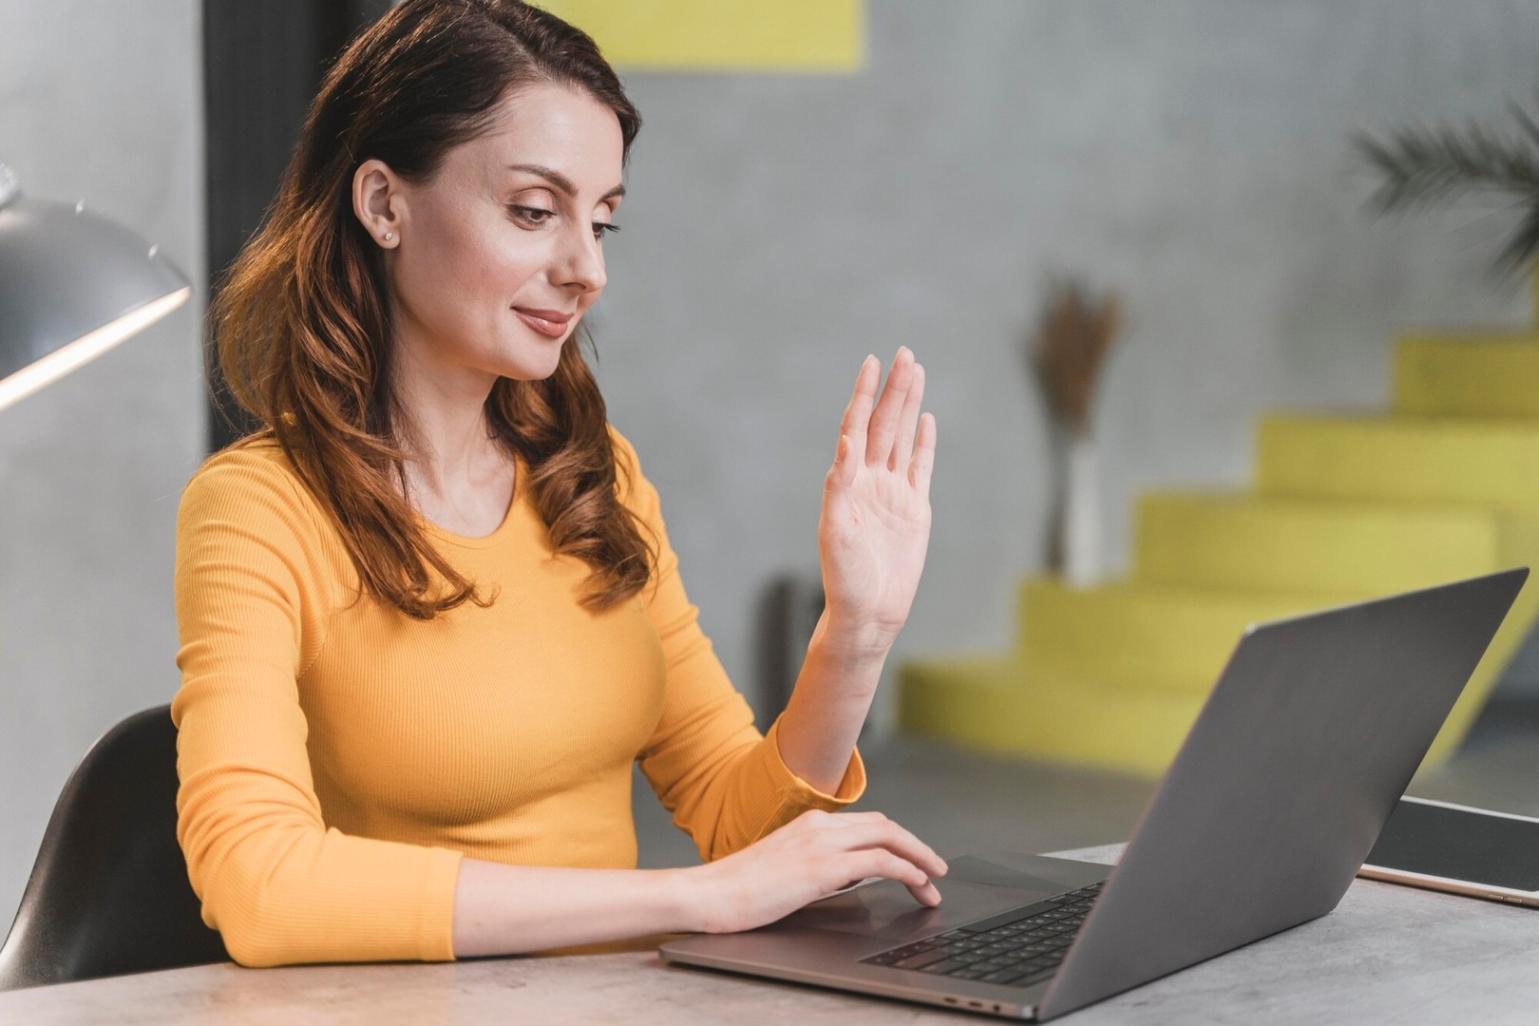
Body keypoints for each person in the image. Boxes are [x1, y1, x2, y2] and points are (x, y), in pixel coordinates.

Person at [173, 0, 944, 969]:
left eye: (603, 221)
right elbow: (261, 888)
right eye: (535, 212)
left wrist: (855, 635)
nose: (586, 271)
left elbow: (742, 836)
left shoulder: (595, 479)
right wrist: (689, 898)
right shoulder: (259, 511)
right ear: (383, 205)